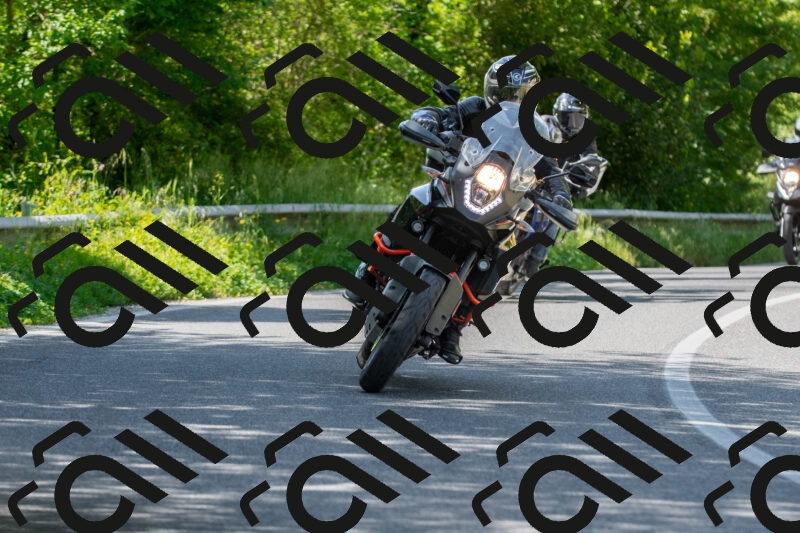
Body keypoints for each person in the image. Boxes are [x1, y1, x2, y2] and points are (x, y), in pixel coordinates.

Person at [343, 56, 573, 364]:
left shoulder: (535, 132)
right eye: (505, 93)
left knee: (497, 258)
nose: (511, 100)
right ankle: (367, 270)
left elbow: (550, 169)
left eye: (519, 95)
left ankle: (455, 326)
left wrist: (560, 194)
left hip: (497, 202)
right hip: (459, 183)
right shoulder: (474, 107)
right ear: (491, 89)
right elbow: (442, 113)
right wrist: (428, 119)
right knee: (418, 197)